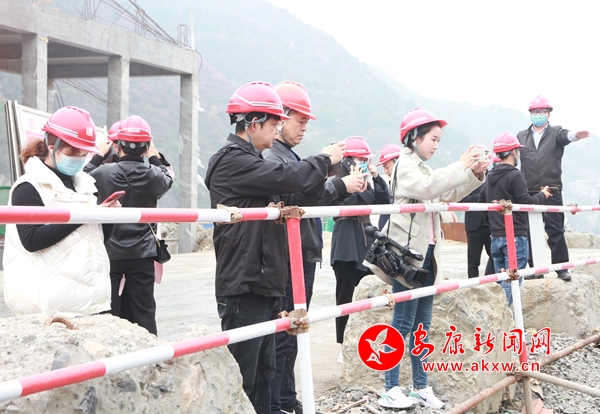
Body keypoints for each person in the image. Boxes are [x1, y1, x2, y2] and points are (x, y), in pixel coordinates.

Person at [204, 81, 345, 414]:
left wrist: (327, 178)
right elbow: (285, 177)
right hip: (243, 283)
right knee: (246, 375)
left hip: (263, 281)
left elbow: (295, 189)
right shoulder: (232, 161)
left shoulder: (253, 162)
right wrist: (324, 159)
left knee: (266, 371)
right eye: (274, 122)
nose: (277, 128)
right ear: (253, 123)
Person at [263, 81, 364, 414]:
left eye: (307, 122)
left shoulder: (287, 156)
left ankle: (286, 398)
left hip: (301, 252)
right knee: (284, 332)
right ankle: (277, 403)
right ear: (280, 117)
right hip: (287, 254)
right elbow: (299, 196)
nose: (304, 127)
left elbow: (307, 193)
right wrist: (339, 184)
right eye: (300, 120)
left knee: (293, 330)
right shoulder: (273, 156)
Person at [377, 108, 486, 410]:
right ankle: (390, 388)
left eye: (439, 140)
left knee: (422, 326)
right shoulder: (405, 166)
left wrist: (473, 173)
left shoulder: (423, 168)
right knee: (402, 323)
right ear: (414, 137)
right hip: (407, 259)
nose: (436, 145)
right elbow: (429, 188)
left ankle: (420, 387)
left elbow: (442, 193)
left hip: (426, 258)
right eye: (433, 139)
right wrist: (461, 165)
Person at [3, 106, 120, 316]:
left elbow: (98, 239)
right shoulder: (29, 186)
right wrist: (84, 214)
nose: (79, 157)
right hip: (50, 306)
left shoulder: (85, 185)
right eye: (73, 151)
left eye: (84, 152)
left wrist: (107, 216)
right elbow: (32, 240)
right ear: (52, 146)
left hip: (91, 302)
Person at [89, 115, 173, 336]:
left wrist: (98, 155)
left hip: (110, 251)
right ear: (146, 147)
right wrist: (154, 157)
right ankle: (151, 351)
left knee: (108, 310)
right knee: (144, 312)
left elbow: (80, 179)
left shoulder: (103, 172)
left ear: (117, 146)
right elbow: (168, 177)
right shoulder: (153, 174)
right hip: (142, 253)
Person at [516, 95, 590, 282]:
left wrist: (576, 135)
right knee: (530, 231)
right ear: (530, 113)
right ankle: (535, 269)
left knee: (555, 230)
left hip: (551, 190)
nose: (538, 114)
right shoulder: (522, 136)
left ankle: (562, 268)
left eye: (542, 111)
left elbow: (567, 136)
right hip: (529, 191)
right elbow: (512, 156)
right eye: (535, 112)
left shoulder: (555, 132)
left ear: (548, 113)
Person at [330, 136, 391, 354]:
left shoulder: (366, 181)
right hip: (345, 240)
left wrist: (375, 176)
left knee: (370, 291)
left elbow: (384, 201)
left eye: (367, 160)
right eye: (361, 159)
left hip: (366, 237)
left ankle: (367, 342)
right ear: (348, 160)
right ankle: (343, 345)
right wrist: (354, 185)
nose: (365, 163)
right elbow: (344, 202)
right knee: (345, 295)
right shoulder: (338, 180)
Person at [478, 133, 552, 305]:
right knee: (511, 283)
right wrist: (543, 195)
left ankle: (501, 314)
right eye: (517, 150)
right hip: (515, 237)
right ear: (513, 152)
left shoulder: (490, 176)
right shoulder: (515, 175)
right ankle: (503, 317)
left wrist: (493, 225)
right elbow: (526, 202)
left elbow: (482, 204)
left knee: (502, 281)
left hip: (496, 237)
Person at [460, 145, 494, 278]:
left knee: (495, 256)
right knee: (473, 261)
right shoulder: (466, 178)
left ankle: (489, 280)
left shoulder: (493, 176)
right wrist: (481, 197)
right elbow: (461, 199)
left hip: (490, 224)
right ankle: (472, 284)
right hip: (473, 225)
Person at [377, 144, 402, 230]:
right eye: (384, 167)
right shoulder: (393, 185)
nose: (385, 171)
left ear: (397, 162)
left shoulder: (407, 185)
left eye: (387, 167)